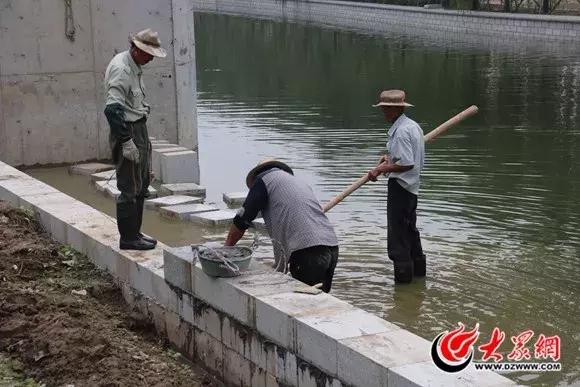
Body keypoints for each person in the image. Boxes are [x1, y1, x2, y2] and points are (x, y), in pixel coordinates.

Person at [225, 159, 339, 293]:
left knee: (304, 303)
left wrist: (225, 250)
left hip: (309, 252)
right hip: (331, 247)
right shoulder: (298, 183)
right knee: (320, 301)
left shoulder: (263, 181)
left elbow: (241, 220)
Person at [103, 29, 166, 250]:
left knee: (141, 185)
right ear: (137, 49)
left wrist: (142, 109)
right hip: (127, 130)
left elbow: (130, 100)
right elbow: (112, 109)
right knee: (129, 188)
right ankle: (128, 239)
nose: (151, 59)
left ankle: (135, 233)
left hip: (138, 127)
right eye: (149, 54)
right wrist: (126, 141)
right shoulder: (122, 69)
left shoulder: (135, 66)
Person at [367, 90, 426, 283]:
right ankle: (418, 280)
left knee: (398, 239)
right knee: (411, 233)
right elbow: (407, 156)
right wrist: (389, 159)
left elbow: (407, 163)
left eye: (385, 109)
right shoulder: (412, 126)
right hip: (412, 188)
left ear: (394, 109)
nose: (383, 112)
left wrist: (380, 169)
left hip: (401, 187)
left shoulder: (401, 132)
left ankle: (403, 287)